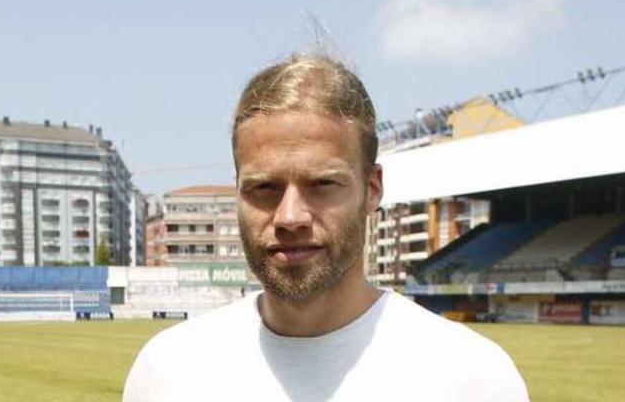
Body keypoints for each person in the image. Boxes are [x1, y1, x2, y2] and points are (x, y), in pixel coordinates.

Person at [123, 54, 529, 401]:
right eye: (264, 187)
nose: (289, 217)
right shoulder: (167, 372)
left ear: (372, 190)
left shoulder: (473, 379)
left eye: (322, 184)